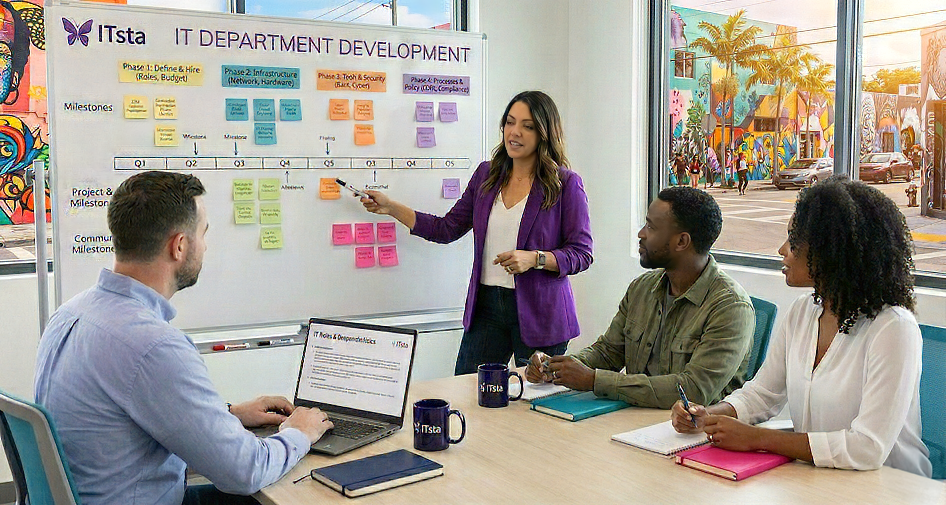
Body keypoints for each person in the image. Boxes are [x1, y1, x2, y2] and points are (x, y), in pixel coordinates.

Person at [34, 171, 335, 505]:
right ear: (179, 246)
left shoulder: (71, 313)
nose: (205, 246)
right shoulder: (153, 346)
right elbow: (244, 471)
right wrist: (300, 432)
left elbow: (127, 414)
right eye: (203, 234)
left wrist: (229, 413)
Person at [670, 176, 932, 477]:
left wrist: (758, 439)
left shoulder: (893, 328)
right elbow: (762, 394)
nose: (782, 249)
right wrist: (708, 416)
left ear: (832, 250)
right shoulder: (802, 312)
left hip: (891, 485)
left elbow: (867, 447)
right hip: (821, 478)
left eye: (793, 241)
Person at [361, 90, 593, 375]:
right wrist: (390, 207)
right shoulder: (486, 175)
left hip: (541, 314)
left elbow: (581, 253)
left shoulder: (565, 184)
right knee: (467, 390)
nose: (515, 132)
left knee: (533, 399)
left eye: (527, 126)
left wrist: (535, 259)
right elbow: (446, 228)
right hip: (487, 308)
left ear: (544, 133)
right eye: (510, 122)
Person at [525, 187, 754, 408]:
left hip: (690, 430)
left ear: (682, 242)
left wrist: (594, 380)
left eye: (651, 227)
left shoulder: (731, 308)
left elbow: (693, 390)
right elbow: (608, 352)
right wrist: (556, 367)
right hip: (632, 419)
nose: (641, 233)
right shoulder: (642, 288)